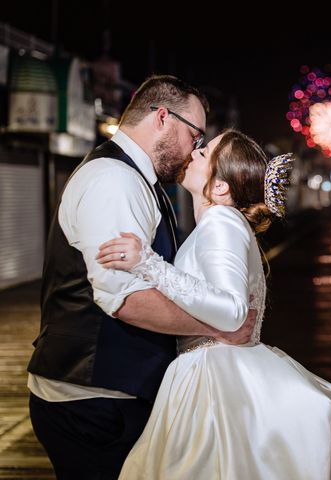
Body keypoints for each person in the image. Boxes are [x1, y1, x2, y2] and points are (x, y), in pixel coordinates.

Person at [97, 129, 331, 479]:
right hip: (219, 370)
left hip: (215, 382)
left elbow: (232, 310)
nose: (194, 152)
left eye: (204, 153)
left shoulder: (221, 222)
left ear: (221, 186)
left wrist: (146, 262)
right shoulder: (222, 224)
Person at [27, 75, 256, 480]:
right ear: (163, 118)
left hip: (112, 392)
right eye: (196, 134)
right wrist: (220, 327)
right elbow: (124, 299)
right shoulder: (115, 180)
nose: (195, 148)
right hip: (93, 399)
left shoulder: (138, 180)